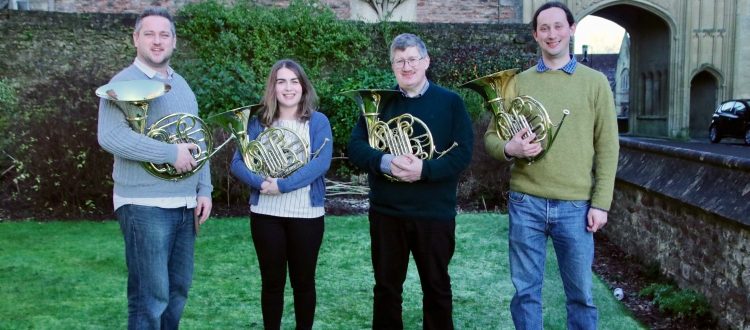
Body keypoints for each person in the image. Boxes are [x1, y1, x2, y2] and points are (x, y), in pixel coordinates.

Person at [483, 2, 619, 329]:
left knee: (581, 294)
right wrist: (510, 148)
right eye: (544, 28)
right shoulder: (517, 83)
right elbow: (491, 137)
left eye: (558, 26)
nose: (552, 34)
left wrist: (601, 204)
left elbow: (608, 146)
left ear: (572, 29)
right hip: (525, 202)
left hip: (575, 205)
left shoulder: (596, 82)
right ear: (535, 35)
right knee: (526, 292)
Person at [347, 33, 474, 330]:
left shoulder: (451, 102)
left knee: (437, 288)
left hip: (434, 213)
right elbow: (356, 147)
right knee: (386, 289)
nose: (407, 67)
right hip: (387, 213)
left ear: (426, 61)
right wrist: (387, 161)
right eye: (399, 61)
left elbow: (463, 153)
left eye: (412, 59)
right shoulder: (379, 103)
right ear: (392, 66)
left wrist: (424, 170)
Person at [97, 7, 212, 330]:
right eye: (149, 34)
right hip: (143, 205)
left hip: (184, 204)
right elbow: (110, 136)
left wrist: (204, 189)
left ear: (174, 42)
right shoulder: (121, 83)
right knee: (150, 298)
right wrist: (167, 152)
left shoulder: (183, 85)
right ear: (136, 39)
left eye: (165, 35)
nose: (157, 41)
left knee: (177, 293)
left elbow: (195, 138)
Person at [230, 59, 333, 330]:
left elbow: (320, 164)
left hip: (307, 215)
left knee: (304, 283)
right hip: (266, 214)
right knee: (272, 284)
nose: (288, 88)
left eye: (294, 81)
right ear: (273, 88)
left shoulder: (318, 121)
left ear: (303, 86)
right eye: (281, 81)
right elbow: (237, 163)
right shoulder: (258, 122)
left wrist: (282, 186)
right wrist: (261, 183)